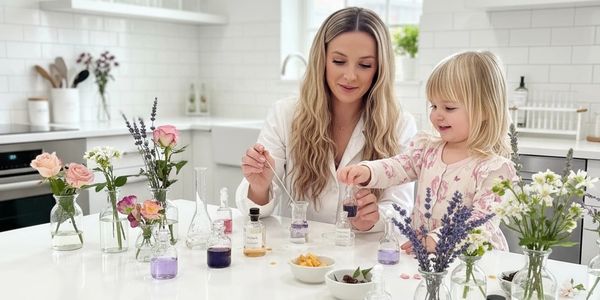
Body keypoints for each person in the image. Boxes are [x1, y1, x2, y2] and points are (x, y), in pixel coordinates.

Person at [235, 7, 417, 232]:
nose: (350, 75)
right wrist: (260, 188)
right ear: (322, 60)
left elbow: (400, 208)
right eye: (339, 61)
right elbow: (254, 207)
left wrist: (374, 218)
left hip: (363, 258)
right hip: (298, 256)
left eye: (365, 65)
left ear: (379, 69)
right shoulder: (285, 114)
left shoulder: (400, 124)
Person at [337, 50, 516, 250]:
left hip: (471, 264)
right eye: (434, 106)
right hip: (425, 258)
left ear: (485, 110)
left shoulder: (494, 169)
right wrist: (369, 171)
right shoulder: (428, 149)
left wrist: (433, 240)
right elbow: (398, 167)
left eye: (448, 108)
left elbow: (482, 223)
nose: (437, 116)